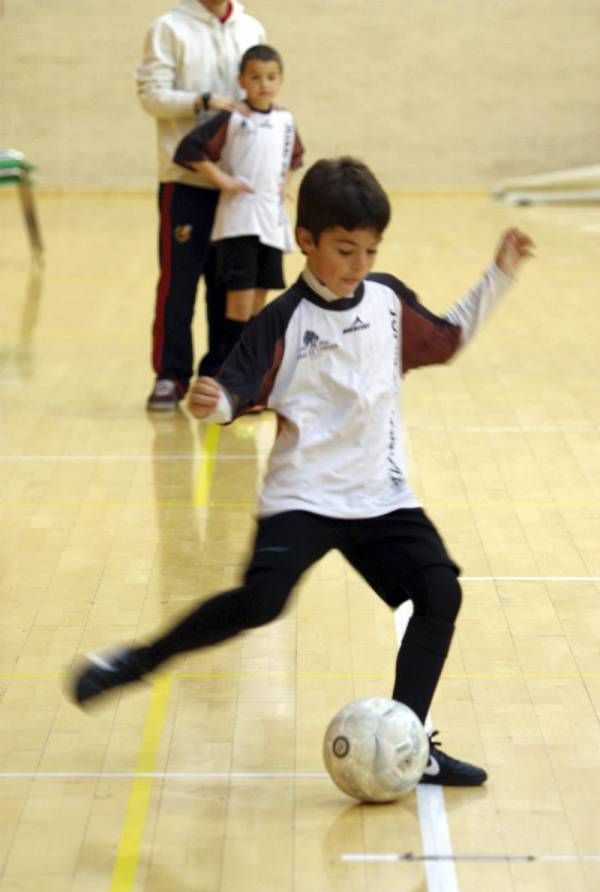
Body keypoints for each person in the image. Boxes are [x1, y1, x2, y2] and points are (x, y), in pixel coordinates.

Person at [70, 157, 534, 785]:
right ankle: (140, 659)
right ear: (306, 241)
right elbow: (237, 388)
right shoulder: (282, 321)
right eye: (345, 250)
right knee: (262, 601)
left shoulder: (389, 303)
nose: (360, 265)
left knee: (439, 591)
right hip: (304, 496)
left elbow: (446, 340)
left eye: (370, 250)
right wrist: (217, 403)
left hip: (380, 495)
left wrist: (500, 273)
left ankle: (407, 742)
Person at [136, 0, 266, 412]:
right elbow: (151, 97)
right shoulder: (168, 28)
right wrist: (204, 100)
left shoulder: (251, 28)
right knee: (179, 282)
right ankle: (170, 376)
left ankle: (219, 371)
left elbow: (262, 95)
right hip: (186, 180)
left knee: (228, 282)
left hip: (236, 184)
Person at [173, 44, 304, 359]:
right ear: (242, 81)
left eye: (271, 77)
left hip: (271, 221)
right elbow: (189, 150)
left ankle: (251, 376)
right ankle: (227, 374)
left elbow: (295, 156)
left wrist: (283, 185)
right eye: (255, 77)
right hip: (239, 221)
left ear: (280, 80)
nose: (264, 84)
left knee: (259, 304)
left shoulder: (286, 118)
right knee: (239, 305)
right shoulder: (233, 118)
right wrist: (224, 181)